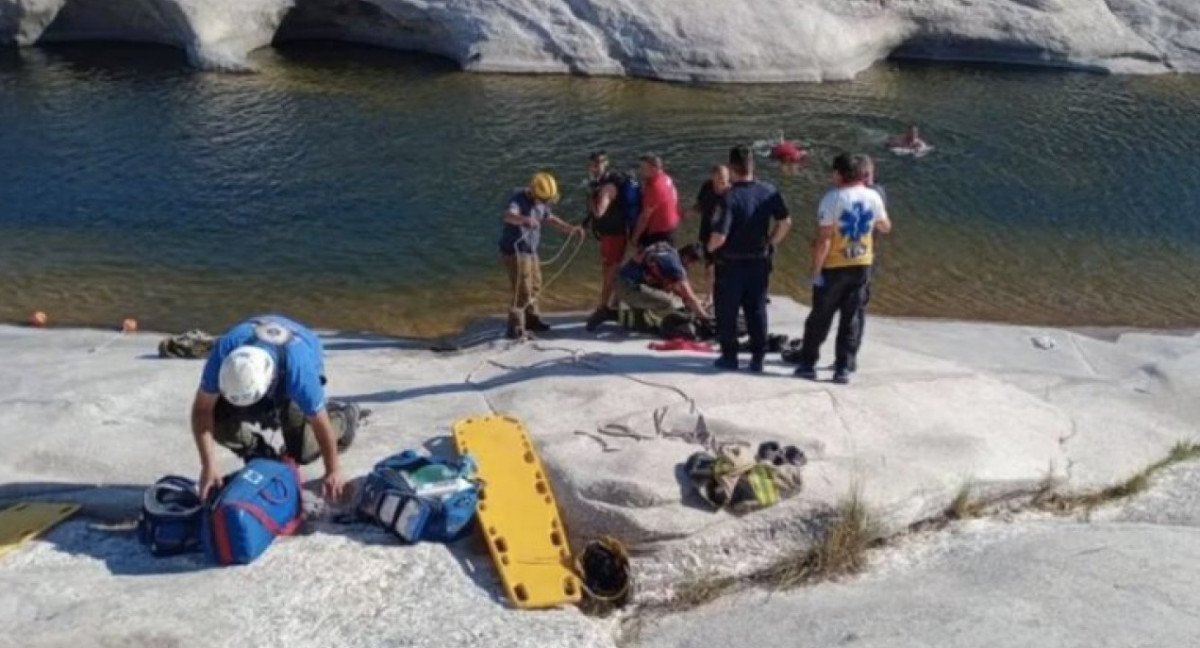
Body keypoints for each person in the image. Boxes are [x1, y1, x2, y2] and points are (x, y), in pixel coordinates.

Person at [190, 315, 361, 501]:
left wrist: (333, 469)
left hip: (300, 349)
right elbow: (202, 410)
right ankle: (258, 451)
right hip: (259, 336)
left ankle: (344, 418)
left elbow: (320, 422)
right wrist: (208, 465)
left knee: (302, 451)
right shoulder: (224, 352)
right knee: (217, 418)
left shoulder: (300, 372)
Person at [794, 153, 892, 384]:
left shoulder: (833, 198)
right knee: (851, 319)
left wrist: (816, 271)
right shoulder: (873, 196)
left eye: (834, 171)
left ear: (840, 174)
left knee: (820, 317)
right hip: (862, 264)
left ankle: (808, 364)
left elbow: (824, 240)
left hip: (835, 265)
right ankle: (843, 368)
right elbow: (885, 226)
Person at [707, 145, 792, 372]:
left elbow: (719, 236)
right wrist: (771, 242)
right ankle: (757, 358)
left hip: (732, 264)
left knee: (727, 310)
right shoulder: (768, 191)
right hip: (759, 261)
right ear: (752, 165)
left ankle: (730, 357)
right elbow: (785, 223)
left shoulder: (729, 198)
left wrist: (709, 248)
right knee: (756, 310)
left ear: (732, 168)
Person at [498, 172, 583, 339]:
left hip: (531, 250)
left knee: (535, 285)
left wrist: (570, 229)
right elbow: (508, 216)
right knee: (522, 290)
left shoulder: (542, 201)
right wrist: (524, 220)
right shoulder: (518, 198)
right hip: (516, 251)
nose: (546, 204)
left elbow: (549, 218)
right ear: (533, 192)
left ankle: (533, 320)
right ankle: (515, 327)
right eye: (544, 200)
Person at [584, 151, 632, 331]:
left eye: (597, 165)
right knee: (612, 271)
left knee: (610, 272)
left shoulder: (607, 188)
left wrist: (591, 198)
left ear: (605, 164)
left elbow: (599, 212)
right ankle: (614, 303)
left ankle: (603, 308)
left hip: (614, 236)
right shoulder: (603, 183)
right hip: (610, 235)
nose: (594, 168)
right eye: (592, 164)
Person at [847, 155, 887, 370]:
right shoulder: (872, 194)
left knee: (855, 308)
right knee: (854, 307)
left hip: (862, 257)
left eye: (867, 175)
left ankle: (849, 356)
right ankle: (848, 355)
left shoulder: (874, 194)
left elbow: (883, 226)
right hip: (862, 255)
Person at [615, 242, 711, 324]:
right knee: (669, 302)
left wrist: (695, 303)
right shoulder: (675, 266)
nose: (693, 267)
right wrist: (705, 317)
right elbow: (689, 296)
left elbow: (677, 290)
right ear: (687, 258)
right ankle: (656, 322)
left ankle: (639, 320)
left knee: (663, 291)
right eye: (693, 264)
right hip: (628, 288)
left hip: (621, 282)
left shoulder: (668, 251)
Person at [690, 164, 731, 303]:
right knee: (709, 266)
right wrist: (689, 212)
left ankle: (726, 294)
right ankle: (709, 296)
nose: (723, 182)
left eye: (725, 179)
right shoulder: (707, 187)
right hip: (707, 231)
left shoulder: (731, 193)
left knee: (725, 267)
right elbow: (701, 205)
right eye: (720, 178)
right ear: (713, 177)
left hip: (725, 235)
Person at [631, 154, 680, 249]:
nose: (640, 171)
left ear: (653, 169)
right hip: (672, 225)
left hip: (660, 232)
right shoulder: (666, 178)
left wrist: (635, 238)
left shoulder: (654, 188)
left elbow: (645, 218)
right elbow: (674, 196)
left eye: (643, 168)